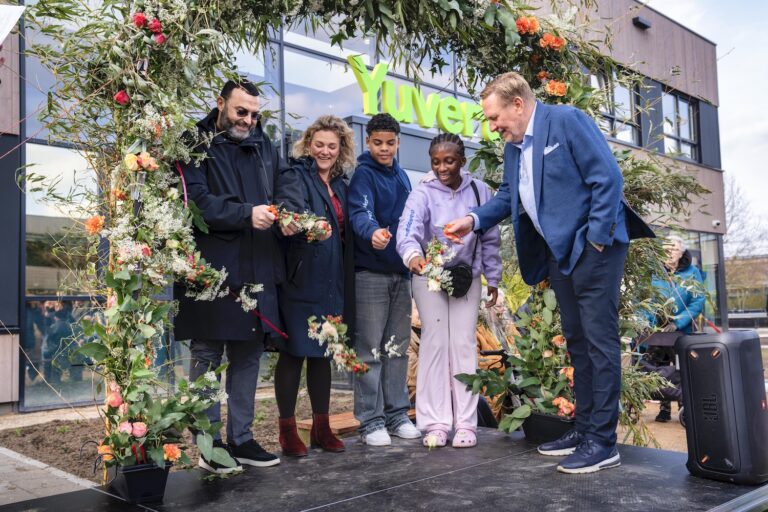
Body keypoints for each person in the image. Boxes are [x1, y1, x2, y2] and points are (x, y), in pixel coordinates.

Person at [445, 72, 654, 473]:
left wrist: (595, 240)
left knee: (599, 342)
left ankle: (602, 442)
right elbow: (509, 196)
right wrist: (472, 220)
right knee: (578, 342)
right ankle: (585, 429)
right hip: (560, 254)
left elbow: (607, 178)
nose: (493, 127)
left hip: (593, 249)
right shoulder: (514, 148)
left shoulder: (566, 121)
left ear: (518, 104)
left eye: (495, 117)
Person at [175, 78, 284, 473]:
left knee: (248, 353)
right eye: (241, 111)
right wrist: (245, 214)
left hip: (256, 262)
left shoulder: (262, 144)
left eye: (254, 114)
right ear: (220, 103)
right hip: (211, 266)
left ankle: (242, 439)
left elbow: (283, 182)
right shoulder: (193, 141)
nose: (248, 120)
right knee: (207, 352)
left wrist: (286, 211)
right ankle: (209, 446)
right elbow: (195, 202)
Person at [397, 133, 502, 448]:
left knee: (463, 345)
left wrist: (493, 278)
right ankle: (435, 423)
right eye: (436, 162)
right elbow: (407, 230)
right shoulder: (422, 192)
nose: (442, 168)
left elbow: (490, 237)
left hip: (466, 278)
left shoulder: (479, 191)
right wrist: (412, 256)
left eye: (450, 161)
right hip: (428, 275)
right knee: (435, 343)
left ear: (462, 161)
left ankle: (466, 423)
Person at [273, 115, 356, 456]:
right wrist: (301, 223)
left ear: (341, 148)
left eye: (331, 146)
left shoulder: (341, 184)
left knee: (323, 352)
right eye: (319, 144)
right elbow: (289, 211)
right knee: (294, 353)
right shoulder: (295, 175)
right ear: (308, 145)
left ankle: (322, 428)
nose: (325, 151)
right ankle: (287, 431)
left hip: (332, 280)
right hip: (301, 277)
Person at [348, 113, 421, 445]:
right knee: (369, 350)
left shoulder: (403, 176)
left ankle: (397, 415)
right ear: (367, 141)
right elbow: (359, 212)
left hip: (400, 273)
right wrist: (372, 232)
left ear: (398, 142)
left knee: (397, 349)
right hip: (370, 274)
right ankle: (370, 421)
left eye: (390, 143)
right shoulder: (363, 174)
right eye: (377, 142)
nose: (384, 148)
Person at [645, 235, 704, 422]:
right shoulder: (655, 271)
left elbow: (697, 302)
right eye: (666, 249)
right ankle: (664, 408)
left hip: (681, 331)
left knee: (680, 368)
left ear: (681, 253)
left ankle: (683, 405)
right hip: (657, 331)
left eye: (674, 249)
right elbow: (646, 300)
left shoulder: (692, 272)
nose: (669, 253)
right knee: (659, 369)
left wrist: (677, 322)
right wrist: (648, 323)